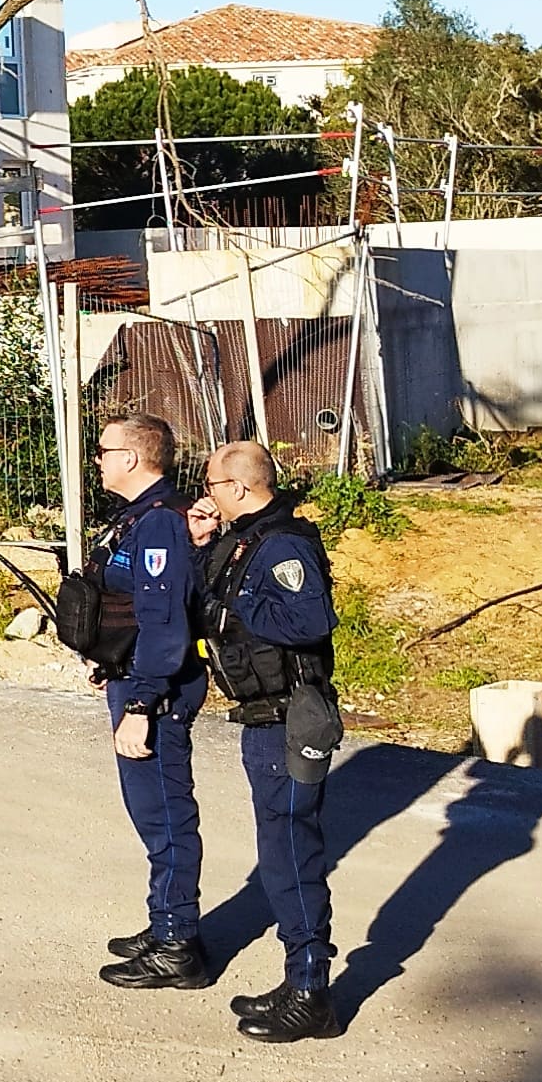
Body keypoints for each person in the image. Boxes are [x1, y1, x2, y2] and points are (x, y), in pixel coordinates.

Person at [194, 437, 346, 1042]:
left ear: (238, 487)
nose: (206, 496)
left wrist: (241, 605)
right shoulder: (247, 538)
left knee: (291, 850)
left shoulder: (283, 545)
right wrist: (207, 548)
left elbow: (309, 620)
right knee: (280, 850)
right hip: (262, 716)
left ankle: (312, 991)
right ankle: (299, 978)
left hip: (290, 716)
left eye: (211, 486)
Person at [83, 415, 211, 989]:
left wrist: (141, 705)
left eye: (105, 450)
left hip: (151, 691)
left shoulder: (160, 525)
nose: (98, 459)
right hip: (131, 677)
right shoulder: (141, 518)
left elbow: (164, 629)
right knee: (150, 813)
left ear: (133, 458)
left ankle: (178, 945)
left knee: (164, 816)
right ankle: (165, 924)